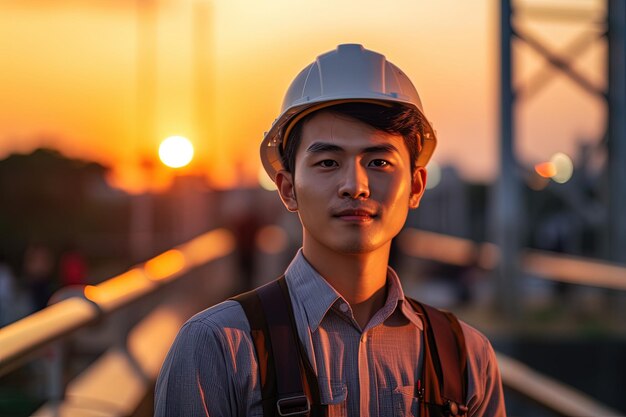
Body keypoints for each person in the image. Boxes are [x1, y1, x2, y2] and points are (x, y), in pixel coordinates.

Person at [155, 44, 506, 417]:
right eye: (327, 162)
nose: (355, 185)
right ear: (287, 188)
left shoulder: (467, 355)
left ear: (416, 187)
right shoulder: (217, 347)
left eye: (378, 161)